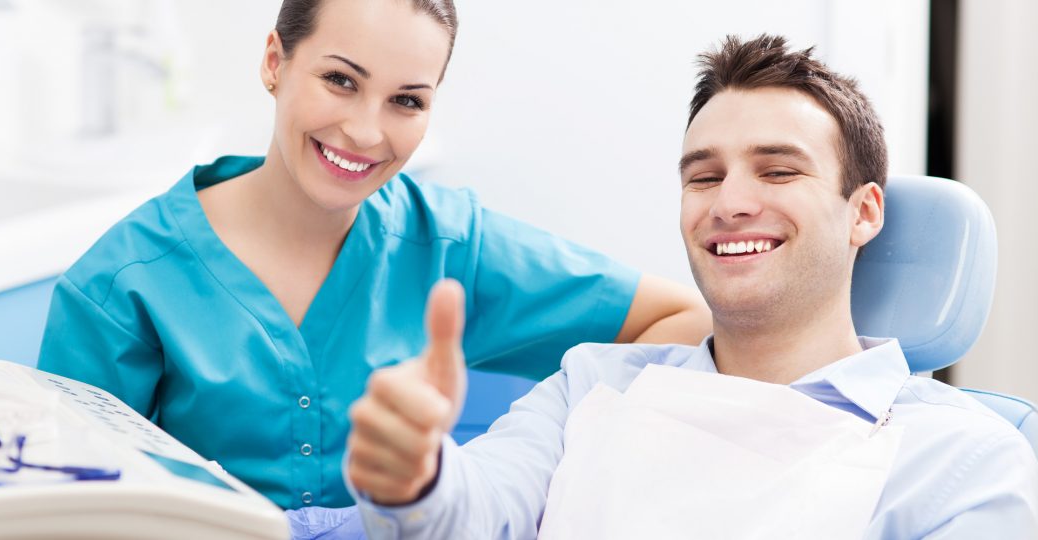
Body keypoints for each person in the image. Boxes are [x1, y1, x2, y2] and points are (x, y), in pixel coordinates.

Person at [344, 34, 1038, 538]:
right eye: (703, 177)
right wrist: (418, 477)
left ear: (863, 213)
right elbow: (474, 510)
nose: (729, 203)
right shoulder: (592, 385)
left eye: (778, 171)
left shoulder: (960, 459)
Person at [35, 0, 711, 511]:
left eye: (406, 101)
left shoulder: (449, 244)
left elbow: (680, 321)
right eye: (341, 81)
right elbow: (63, 507)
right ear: (275, 62)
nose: (365, 131)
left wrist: (529, 461)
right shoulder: (121, 285)